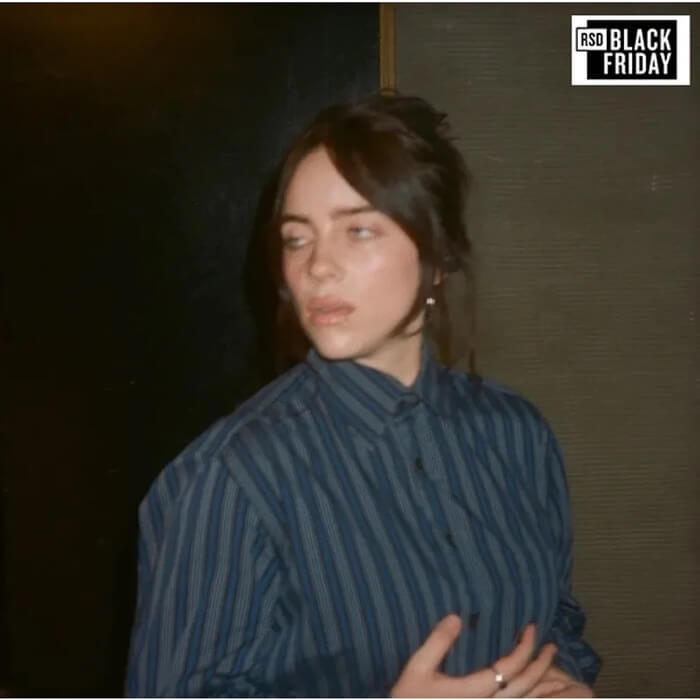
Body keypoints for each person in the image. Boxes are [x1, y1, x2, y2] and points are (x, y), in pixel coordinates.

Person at [125, 92, 601, 697]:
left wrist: (568, 681)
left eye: (358, 230)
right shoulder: (228, 480)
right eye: (297, 238)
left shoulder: (518, 434)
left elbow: (559, 621)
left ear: (436, 256)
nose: (318, 266)